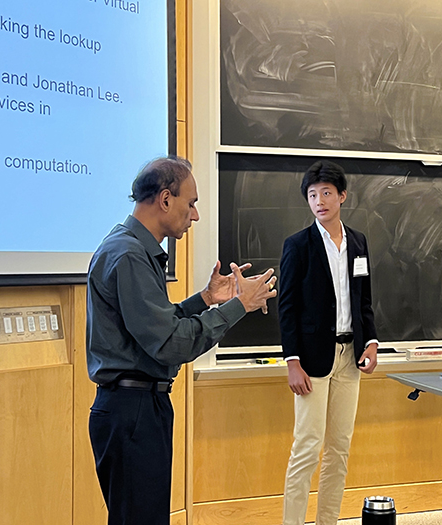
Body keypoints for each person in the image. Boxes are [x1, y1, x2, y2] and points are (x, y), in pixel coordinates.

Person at [86, 155, 277, 525]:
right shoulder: (128, 255)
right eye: (191, 204)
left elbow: (153, 326)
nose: (195, 215)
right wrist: (240, 305)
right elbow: (172, 343)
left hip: (137, 407)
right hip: (132, 410)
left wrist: (205, 300)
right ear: (165, 199)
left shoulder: (128, 247)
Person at [279, 160, 379, 525]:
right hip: (310, 360)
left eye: (325, 193)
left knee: (339, 448)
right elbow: (287, 307)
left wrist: (371, 343)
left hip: (350, 355)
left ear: (342, 196)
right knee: (306, 447)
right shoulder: (298, 245)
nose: (319, 201)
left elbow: (363, 299)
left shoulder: (358, 242)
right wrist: (292, 360)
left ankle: (328, 521)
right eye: (311, 195)